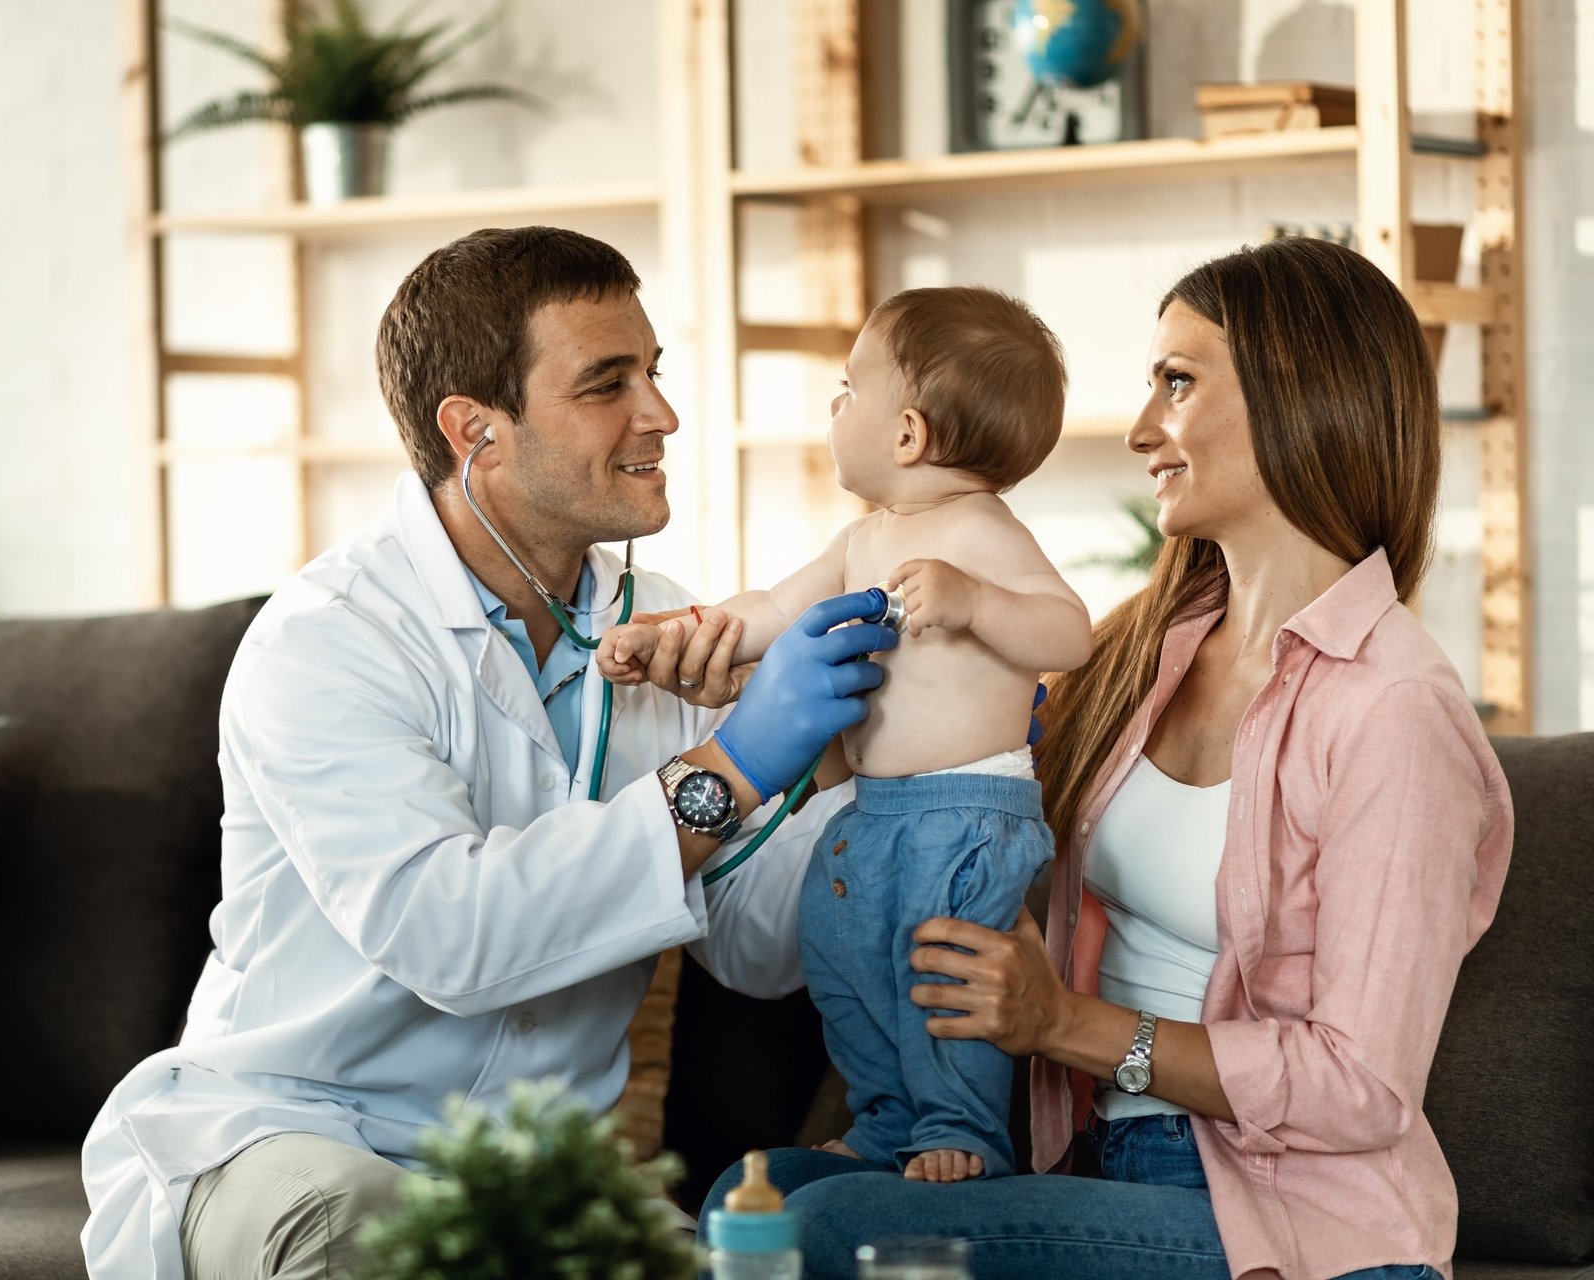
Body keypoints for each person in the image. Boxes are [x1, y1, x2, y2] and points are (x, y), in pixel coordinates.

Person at [78, 226, 899, 1280]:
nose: (662, 414)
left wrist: (855, 764)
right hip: (303, 1138)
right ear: (476, 431)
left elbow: (751, 943)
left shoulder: (653, 622)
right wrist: (736, 765)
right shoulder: (331, 638)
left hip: (531, 1170)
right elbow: (453, 936)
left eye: (654, 372)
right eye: (608, 383)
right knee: (371, 1233)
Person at [697, 236, 1514, 1280]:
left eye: (1178, 383)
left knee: (816, 1233)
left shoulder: (1394, 707)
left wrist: (1068, 1024)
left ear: (1296, 395)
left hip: (1293, 1216)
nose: (1140, 430)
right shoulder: (1150, 643)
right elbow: (962, 796)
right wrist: (785, 718)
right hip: (1097, 1154)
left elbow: (1361, 1086)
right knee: (752, 1194)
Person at [597, 287, 1092, 1183]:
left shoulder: (981, 533)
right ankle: (886, 1119)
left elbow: (1071, 632)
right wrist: (674, 634)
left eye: (847, 388)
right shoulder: (862, 539)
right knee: (846, 963)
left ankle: (961, 1128)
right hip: (870, 811)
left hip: (967, 814)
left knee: (938, 974)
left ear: (906, 434)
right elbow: (769, 613)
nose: (834, 407)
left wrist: (978, 602)